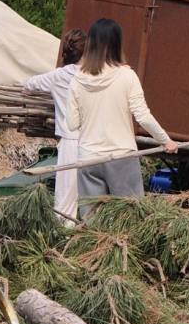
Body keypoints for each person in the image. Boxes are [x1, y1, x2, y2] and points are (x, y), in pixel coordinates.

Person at [67, 18, 177, 215]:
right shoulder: (127, 76)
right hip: (121, 157)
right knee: (130, 218)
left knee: (92, 222)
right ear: (117, 43)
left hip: (88, 159)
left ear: (90, 44)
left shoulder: (77, 80)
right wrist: (165, 141)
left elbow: (72, 123)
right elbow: (142, 116)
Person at [22, 29, 87, 224]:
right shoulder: (96, 76)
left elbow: (28, 85)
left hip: (70, 142)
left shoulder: (58, 76)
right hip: (95, 141)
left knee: (66, 200)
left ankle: (64, 235)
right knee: (91, 197)